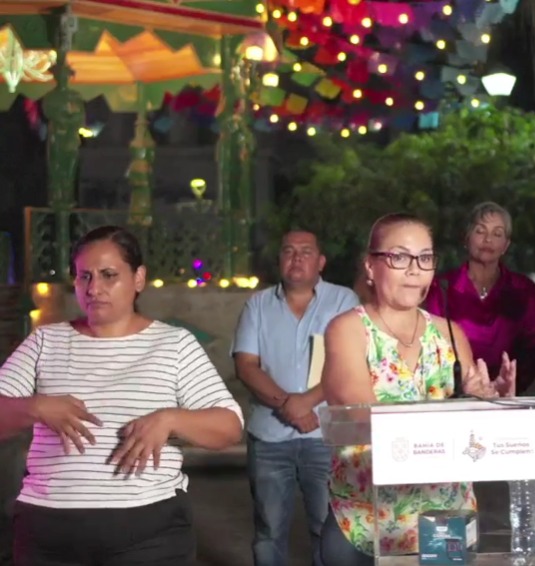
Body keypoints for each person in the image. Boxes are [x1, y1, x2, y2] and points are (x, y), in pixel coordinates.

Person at [0, 225, 243, 565]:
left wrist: (170, 418)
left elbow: (229, 426)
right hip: (48, 531)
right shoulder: (45, 342)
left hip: (148, 532)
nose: (94, 288)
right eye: (84, 276)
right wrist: (35, 406)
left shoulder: (174, 345)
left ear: (138, 278)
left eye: (108, 275)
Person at [318, 213, 514, 565]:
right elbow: (363, 415)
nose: (414, 269)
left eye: (424, 258)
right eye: (399, 257)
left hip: (444, 514)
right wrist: (456, 412)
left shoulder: (449, 333)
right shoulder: (348, 329)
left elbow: (474, 441)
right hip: (367, 519)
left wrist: (486, 403)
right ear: (371, 265)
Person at [233, 230, 359, 566]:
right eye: (288, 251)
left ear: (321, 261)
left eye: (306, 251)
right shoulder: (258, 304)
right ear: (279, 261)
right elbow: (246, 366)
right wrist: (288, 404)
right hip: (269, 439)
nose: (297, 257)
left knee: (328, 529)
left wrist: (308, 400)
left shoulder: (344, 301)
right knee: (269, 530)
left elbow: (354, 361)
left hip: (326, 436)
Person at [425, 202, 535, 393]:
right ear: (466, 238)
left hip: (514, 392)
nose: (488, 239)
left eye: (497, 234)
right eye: (480, 231)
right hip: (454, 395)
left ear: (505, 245)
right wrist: (466, 389)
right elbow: (432, 345)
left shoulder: (524, 290)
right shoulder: (441, 287)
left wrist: (503, 387)